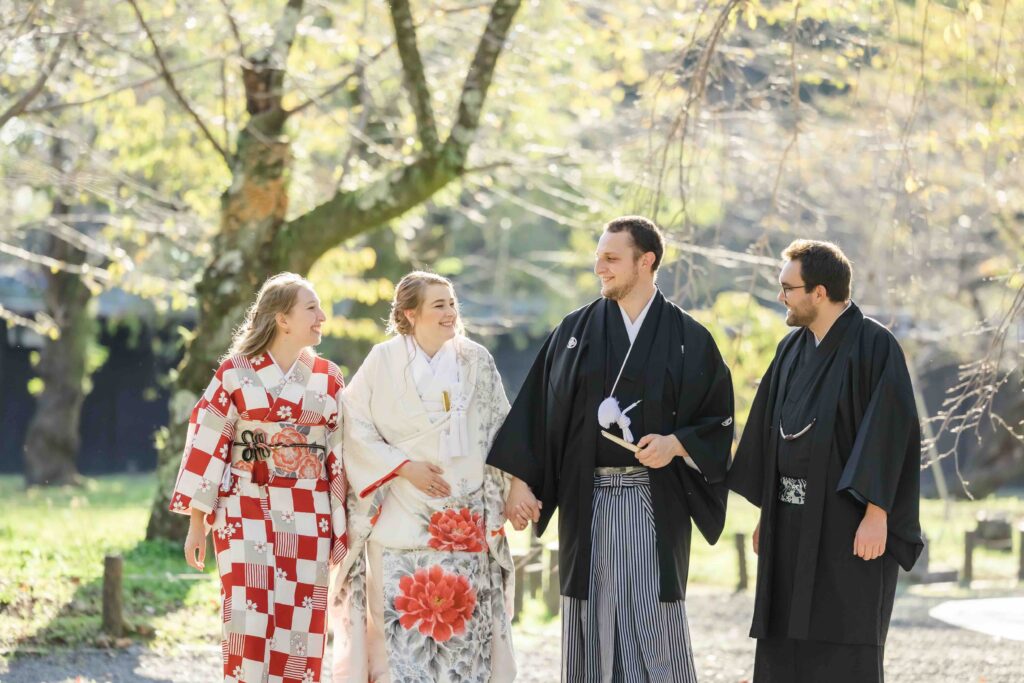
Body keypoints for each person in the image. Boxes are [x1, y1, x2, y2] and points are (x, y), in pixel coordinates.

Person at [488, 216, 734, 682]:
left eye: (611, 258)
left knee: (651, 616)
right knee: (590, 615)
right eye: (598, 256)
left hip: (654, 498)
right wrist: (520, 482)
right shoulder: (575, 331)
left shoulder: (688, 338)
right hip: (589, 495)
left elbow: (718, 420)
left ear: (647, 262)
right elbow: (538, 410)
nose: (599, 266)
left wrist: (677, 444)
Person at [727, 239, 923, 683]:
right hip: (790, 520)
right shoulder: (791, 350)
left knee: (844, 638)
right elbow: (770, 432)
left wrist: (878, 513)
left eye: (788, 288)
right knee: (784, 640)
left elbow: (890, 434)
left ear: (819, 292)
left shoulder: (875, 345)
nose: (782, 297)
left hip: (848, 521)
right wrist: (768, 514)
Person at [330, 271, 516, 682]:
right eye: (439, 305)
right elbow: (353, 423)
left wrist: (517, 487)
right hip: (400, 513)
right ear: (410, 314)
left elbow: (504, 429)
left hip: (463, 521)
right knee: (402, 640)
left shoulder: (476, 360)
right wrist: (402, 466)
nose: (451, 313)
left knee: (464, 636)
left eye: (452, 304)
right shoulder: (383, 360)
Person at [170, 272, 348, 683]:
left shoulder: (328, 376)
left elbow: (341, 454)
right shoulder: (234, 373)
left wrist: (345, 522)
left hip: (309, 508)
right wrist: (197, 523)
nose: (322, 316)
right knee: (247, 613)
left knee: (301, 615)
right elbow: (207, 441)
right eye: (311, 308)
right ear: (282, 318)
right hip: (244, 504)